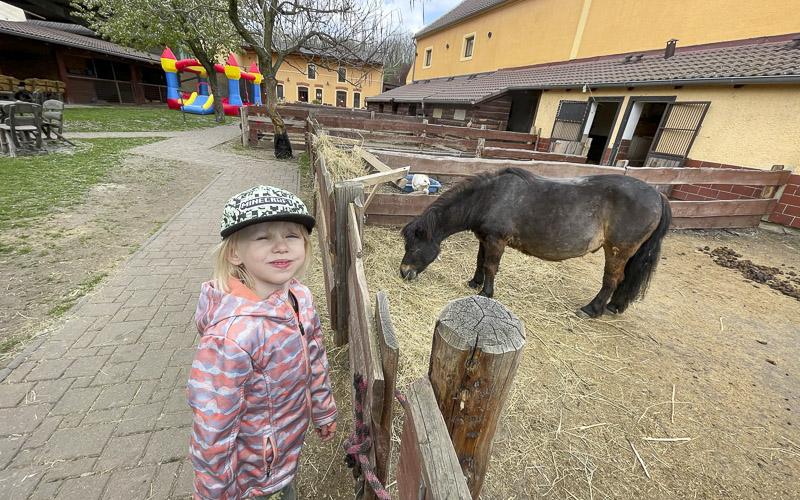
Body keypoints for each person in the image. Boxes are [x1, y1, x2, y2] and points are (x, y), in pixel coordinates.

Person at [187, 185, 338, 500]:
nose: (281, 247)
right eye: (263, 237)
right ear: (234, 253)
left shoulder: (300, 298)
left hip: (288, 448)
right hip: (249, 475)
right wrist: (217, 494)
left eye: (292, 236)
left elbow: (316, 356)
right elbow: (212, 430)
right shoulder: (231, 338)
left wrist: (323, 408)